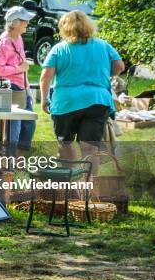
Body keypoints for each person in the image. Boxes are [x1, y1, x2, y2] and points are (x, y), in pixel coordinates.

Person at [40, 10, 124, 168]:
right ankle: (90, 185)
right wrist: (105, 73)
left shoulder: (59, 49)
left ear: (65, 28)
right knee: (90, 147)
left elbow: (46, 76)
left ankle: (69, 180)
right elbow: (119, 66)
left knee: (65, 143)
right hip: (97, 101)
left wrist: (44, 99)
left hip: (66, 102)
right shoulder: (103, 45)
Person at [0, 6, 37, 155]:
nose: (27, 23)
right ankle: (9, 162)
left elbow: (22, 65)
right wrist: (19, 69)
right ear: (16, 23)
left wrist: (27, 88)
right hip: (10, 88)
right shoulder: (5, 41)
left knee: (29, 124)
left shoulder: (18, 38)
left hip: (21, 87)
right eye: (25, 21)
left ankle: (16, 159)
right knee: (14, 130)